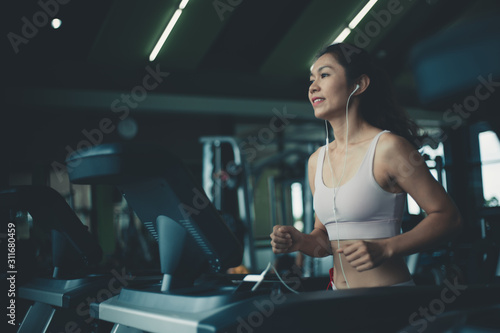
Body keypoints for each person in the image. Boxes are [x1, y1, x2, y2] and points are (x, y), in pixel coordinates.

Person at [269, 43, 462, 289]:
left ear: (358, 85)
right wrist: (301, 241)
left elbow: (449, 218)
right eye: (311, 79)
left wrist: (387, 247)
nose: (313, 86)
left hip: (388, 300)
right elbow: (326, 242)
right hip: (339, 300)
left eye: (324, 75)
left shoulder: (388, 148)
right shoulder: (316, 161)